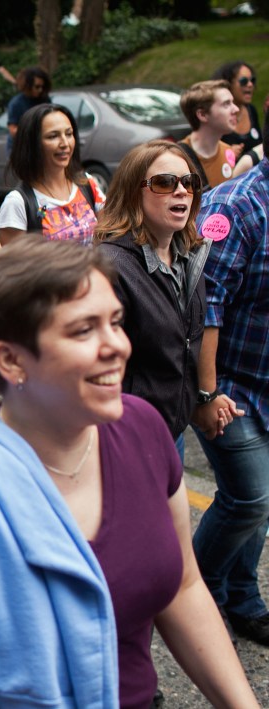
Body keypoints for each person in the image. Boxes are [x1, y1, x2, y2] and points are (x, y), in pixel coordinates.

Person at [0, 237, 259, 709]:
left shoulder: (143, 430)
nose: (118, 347)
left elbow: (185, 587)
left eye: (117, 323)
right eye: (84, 330)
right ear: (10, 360)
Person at [191, 118, 269, 647]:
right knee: (250, 499)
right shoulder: (233, 206)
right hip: (233, 385)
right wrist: (207, 392)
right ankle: (192, 596)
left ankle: (243, 598)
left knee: (262, 501)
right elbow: (206, 305)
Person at [95, 141, 208, 451]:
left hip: (173, 431)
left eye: (189, 182)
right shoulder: (111, 265)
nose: (182, 191)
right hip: (126, 436)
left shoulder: (189, 256)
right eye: (164, 183)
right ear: (134, 192)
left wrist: (202, 398)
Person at [0, 103, 104, 245]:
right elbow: (13, 265)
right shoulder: (17, 203)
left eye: (69, 134)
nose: (65, 143)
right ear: (32, 144)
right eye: (53, 136)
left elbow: (109, 239)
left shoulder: (88, 183)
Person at [179, 79, 255, 191]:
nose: (236, 109)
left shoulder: (228, 152)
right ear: (202, 114)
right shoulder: (179, 158)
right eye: (226, 104)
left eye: (232, 102)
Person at [211, 61, 261, 156]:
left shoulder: (251, 110)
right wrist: (226, 153)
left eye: (252, 80)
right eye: (244, 81)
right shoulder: (217, 115)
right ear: (228, 84)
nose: (250, 84)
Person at [6, 66, 51, 151]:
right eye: (37, 87)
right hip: (20, 148)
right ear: (27, 86)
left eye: (42, 87)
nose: (40, 90)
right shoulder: (16, 103)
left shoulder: (45, 100)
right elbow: (13, 130)